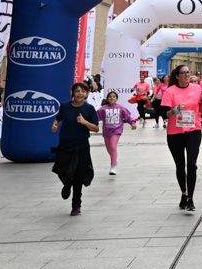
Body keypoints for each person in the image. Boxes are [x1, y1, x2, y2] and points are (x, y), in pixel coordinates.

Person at [158, 64, 202, 212]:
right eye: (183, 73)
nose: (187, 75)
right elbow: (165, 114)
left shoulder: (196, 88)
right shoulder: (170, 91)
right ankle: (184, 192)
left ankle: (190, 198)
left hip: (193, 130)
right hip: (175, 133)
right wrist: (175, 110)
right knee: (180, 165)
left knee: (192, 165)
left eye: (188, 72)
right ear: (177, 76)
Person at [50, 82, 99, 215]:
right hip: (65, 145)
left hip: (81, 146)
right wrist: (54, 125)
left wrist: (84, 122)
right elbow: (58, 118)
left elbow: (96, 128)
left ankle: (76, 206)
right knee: (61, 170)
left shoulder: (89, 109)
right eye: (77, 91)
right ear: (72, 93)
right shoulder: (65, 106)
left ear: (87, 94)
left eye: (83, 91)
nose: (80, 93)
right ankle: (67, 184)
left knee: (78, 175)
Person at [97, 90, 139, 176]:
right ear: (107, 98)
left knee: (113, 146)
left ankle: (113, 166)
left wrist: (133, 123)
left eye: (114, 97)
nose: (112, 98)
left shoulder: (121, 108)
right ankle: (114, 159)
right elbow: (95, 117)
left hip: (116, 131)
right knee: (109, 149)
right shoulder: (103, 109)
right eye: (110, 96)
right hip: (106, 132)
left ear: (116, 99)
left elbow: (128, 117)